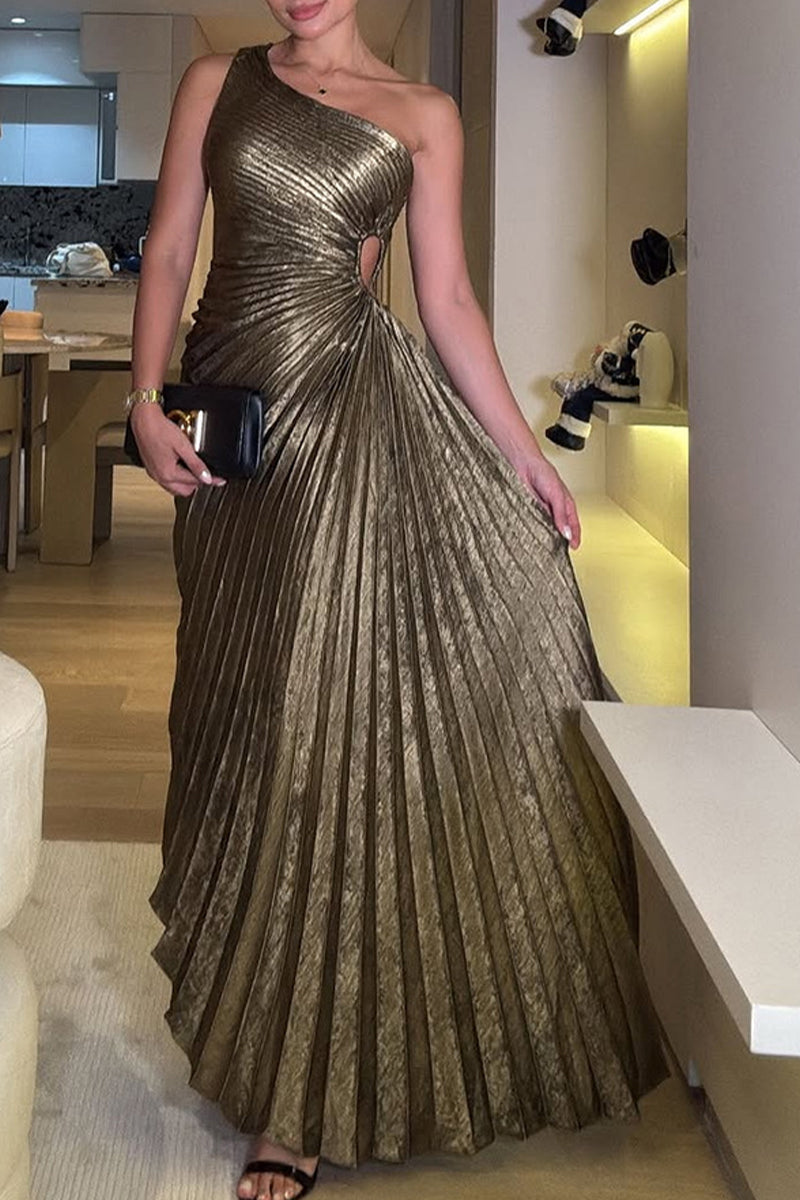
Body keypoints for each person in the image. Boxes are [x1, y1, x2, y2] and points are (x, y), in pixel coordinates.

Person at [129, 3, 670, 1199]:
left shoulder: (424, 115)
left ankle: (296, 1098)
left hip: (353, 418)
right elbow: (168, 250)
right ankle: (252, 990)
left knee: (310, 715)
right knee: (235, 710)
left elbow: (449, 302)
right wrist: (143, 397)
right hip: (235, 434)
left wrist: (528, 458)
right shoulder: (216, 82)